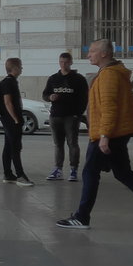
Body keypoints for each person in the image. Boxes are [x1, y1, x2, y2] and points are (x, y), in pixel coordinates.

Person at [56, 39, 133, 232]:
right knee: (123, 173)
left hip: (108, 134)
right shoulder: (111, 72)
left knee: (90, 172)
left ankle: (82, 217)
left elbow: (109, 108)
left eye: (92, 51)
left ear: (104, 53)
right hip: (115, 132)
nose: (88, 54)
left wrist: (104, 135)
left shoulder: (109, 75)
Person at [43, 52, 89, 182]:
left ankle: (73, 169)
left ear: (71, 62)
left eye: (66, 62)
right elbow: (45, 94)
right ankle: (58, 169)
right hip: (55, 115)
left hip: (71, 116)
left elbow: (84, 98)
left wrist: (78, 114)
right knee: (58, 144)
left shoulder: (78, 79)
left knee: (72, 142)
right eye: (61, 62)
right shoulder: (53, 79)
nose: (63, 65)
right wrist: (50, 97)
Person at [0, 57, 33, 187]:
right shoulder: (9, 82)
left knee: (8, 146)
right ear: (15, 68)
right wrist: (16, 119)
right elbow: (8, 102)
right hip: (11, 120)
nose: (22, 68)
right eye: (20, 66)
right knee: (15, 148)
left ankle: (8, 174)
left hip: (8, 120)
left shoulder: (10, 81)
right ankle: (20, 176)